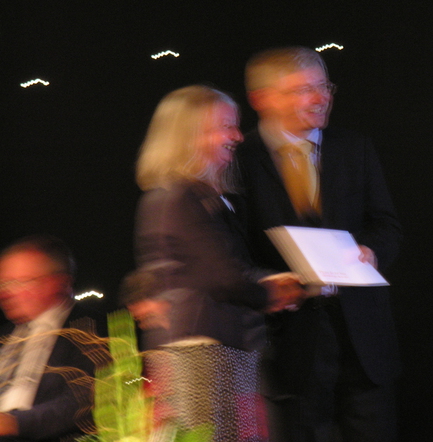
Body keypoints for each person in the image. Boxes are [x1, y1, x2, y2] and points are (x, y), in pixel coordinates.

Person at [237, 47, 402, 442]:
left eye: (325, 86)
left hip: (363, 341)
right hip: (290, 346)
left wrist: (371, 251)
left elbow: (387, 225)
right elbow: (235, 251)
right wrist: (271, 284)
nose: (321, 98)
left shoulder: (353, 147)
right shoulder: (240, 161)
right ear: (262, 99)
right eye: (303, 90)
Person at [129, 85, 304, 441]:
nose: (238, 137)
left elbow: (223, 269)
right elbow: (222, 278)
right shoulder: (176, 197)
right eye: (225, 127)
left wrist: (274, 283)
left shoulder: (204, 197)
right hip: (198, 355)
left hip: (220, 349)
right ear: (189, 135)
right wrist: (273, 292)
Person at [0, 235, 100, 441]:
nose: (5, 294)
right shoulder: (5, 335)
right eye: (3, 284)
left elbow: (86, 399)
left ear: (57, 283)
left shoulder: (90, 329)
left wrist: (15, 423)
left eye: (20, 282)